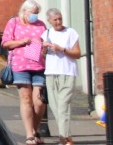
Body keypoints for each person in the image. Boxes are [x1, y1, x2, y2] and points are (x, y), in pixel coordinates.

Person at [2, 0, 48, 145]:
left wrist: (45, 46)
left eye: (37, 13)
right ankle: (30, 134)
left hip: (39, 65)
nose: (35, 16)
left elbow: (46, 42)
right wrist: (22, 42)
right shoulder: (14, 22)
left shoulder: (41, 25)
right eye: (33, 13)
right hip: (20, 66)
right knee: (26, 99)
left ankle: (35, 129)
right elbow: (5, 43)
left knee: (39, 101)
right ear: (24, 11)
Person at [42, 8, 81, 145]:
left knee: (63, 106)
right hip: (51, 73)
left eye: (60, 19)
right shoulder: (46, 33)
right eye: (55, 20)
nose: (58, 22)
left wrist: (62, 49)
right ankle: (67, 138)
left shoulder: (70, 32)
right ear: (49, 21)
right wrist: (44, 48)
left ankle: (63, 138)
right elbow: (42, 55)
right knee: (55, 107)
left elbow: (77, 54)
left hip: (67, 72)